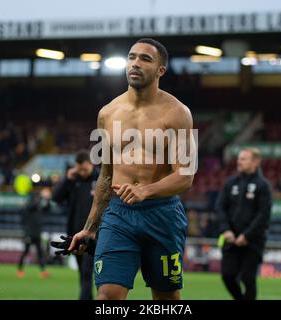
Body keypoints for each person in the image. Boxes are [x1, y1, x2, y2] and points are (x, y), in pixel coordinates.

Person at [68, 38, 195, 300]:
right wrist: (91, 227)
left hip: (162, 215)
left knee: (166, 299)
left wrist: (145, 191)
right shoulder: (107, 113)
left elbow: (185, 175)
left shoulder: (178, 113)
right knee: (107, 297)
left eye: (145, 59)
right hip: (119, 215)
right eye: (132, 57)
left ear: (161, 70)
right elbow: (106, 174)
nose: (135, 63)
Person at [216, 148, 272, 300]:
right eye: (239, 158)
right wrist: (225, 229)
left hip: (253, 241)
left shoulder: (263, 186)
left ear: (255, 162)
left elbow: (263, 215)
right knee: (227, 276)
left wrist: (247, 236)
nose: (238, 162)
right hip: (231, 239)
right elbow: (220, 207)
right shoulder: (230, 183)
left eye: (243, 159)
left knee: (247, 278)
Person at [52, 150, 99, 300]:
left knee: (87, 271)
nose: (83, 173)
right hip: (75, 236)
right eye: (80, 170)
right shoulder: (73, 181)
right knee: (82, 272)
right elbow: (56, 198)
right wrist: (66, 178)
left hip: (94, 235)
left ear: (91, 164)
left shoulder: (99, 179)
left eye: (85, 169)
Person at [16, 187, 51, 278]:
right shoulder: (29, 206)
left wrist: (47, 199)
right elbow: (32, 206)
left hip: (36, 232)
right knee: (26, 251)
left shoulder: (37, 206)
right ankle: (19, 270)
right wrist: (42, 197)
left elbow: (47, 208)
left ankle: (43, 271)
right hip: (29, 233)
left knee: (40, 252)